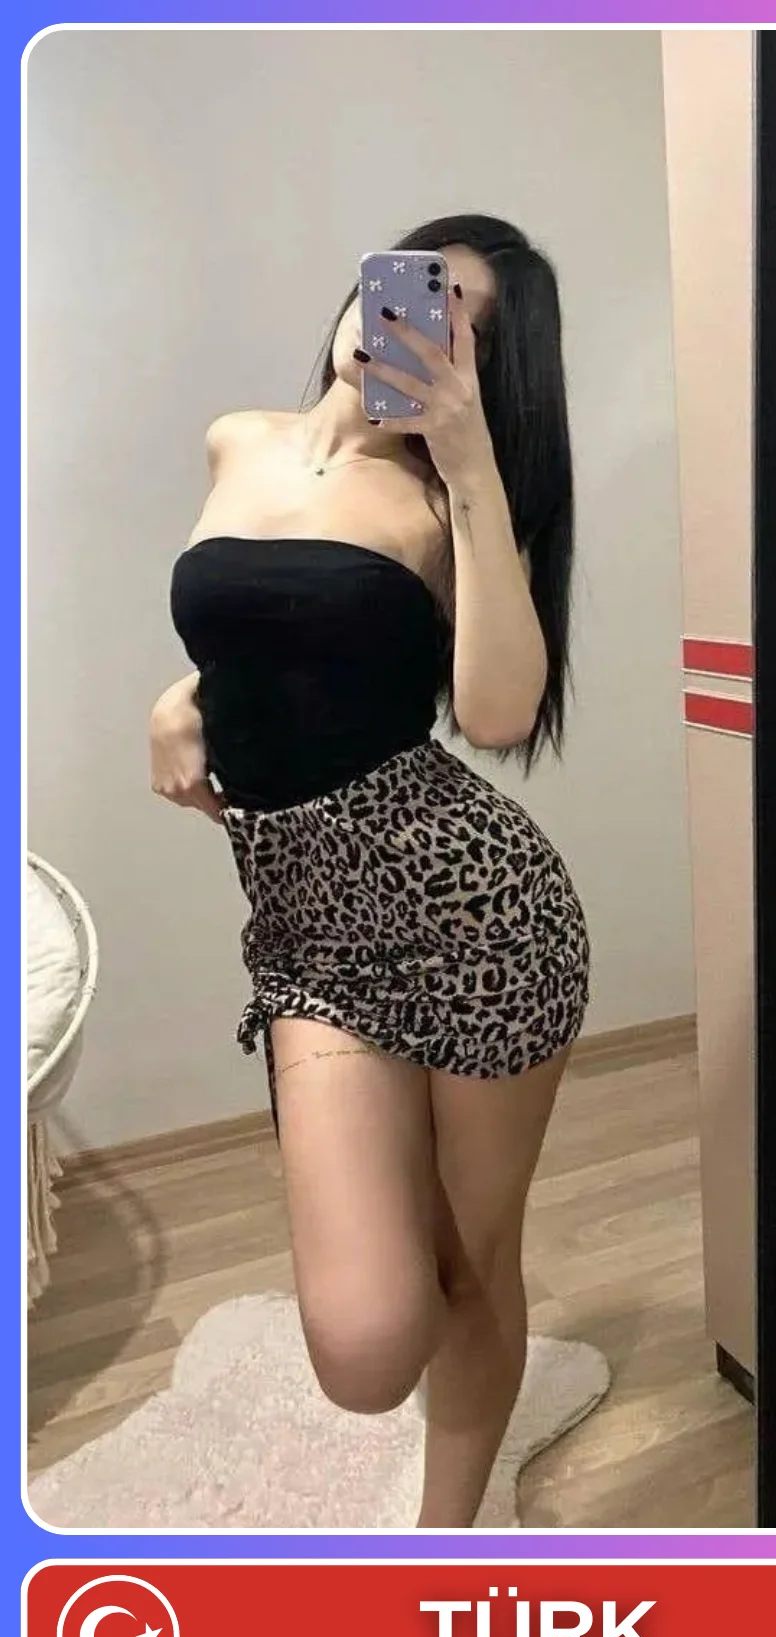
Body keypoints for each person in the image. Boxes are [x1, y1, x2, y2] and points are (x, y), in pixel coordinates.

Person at [149, 214, 590, 1527]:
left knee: (472, 1261)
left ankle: (440, 1546)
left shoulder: (450, 507)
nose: (409, 321)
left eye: (458, 323)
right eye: (412, 285)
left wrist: (471, 462)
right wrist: (179, 697)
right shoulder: (239, 441)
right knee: (363, 1345)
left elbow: (498, 713)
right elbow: (264, 637)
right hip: (310, 935)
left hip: (480, 920)